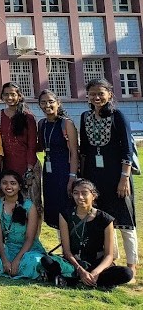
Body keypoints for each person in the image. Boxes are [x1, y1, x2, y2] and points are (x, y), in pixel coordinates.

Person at [79, 79, 138, 277]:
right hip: (95, 177)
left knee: (125, 220)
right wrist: (83, 178)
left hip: (117, 176)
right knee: (104, 220)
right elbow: (85, 149)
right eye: (92, 93)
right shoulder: (85, 116)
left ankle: (131, 264)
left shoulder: (117, 116)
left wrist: (124, 178)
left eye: (101, 93)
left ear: (110, 95)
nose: (96, 97)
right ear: (87, 96)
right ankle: (111, 259)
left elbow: (127, 150)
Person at [41, 179, 134, 288]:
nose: (80, 197)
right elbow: (66, 251)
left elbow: (109, 255)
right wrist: (80, 270)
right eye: (76, 193)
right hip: (74, 262)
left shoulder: (105, 219)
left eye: (84, 193)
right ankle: (89, 281)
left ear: (93, 195)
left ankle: (73, 281)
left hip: (97, 263)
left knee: (127, 273)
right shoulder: (65, 215)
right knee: (46, 260)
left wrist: (96, 273)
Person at [0, 170, 63, 279]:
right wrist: (4, 259)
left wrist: (16, 260)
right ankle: (22, 270)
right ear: (0, 185)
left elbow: (30, 239)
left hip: (28, 250)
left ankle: (14, 269)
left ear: (20, 186)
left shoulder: (29, 206)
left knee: (35, 261)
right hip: (8, 249)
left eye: (13, 183)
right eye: (4, 183)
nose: (8, 186)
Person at [0, 82, 41, 221]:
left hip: (27, 167)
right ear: (2, 96)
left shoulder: (28, 116)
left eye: (13, 94)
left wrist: (29, 170)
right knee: (7, 207)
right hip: (7, 168)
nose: (9, 97)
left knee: (29, 207)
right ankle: (10, 238)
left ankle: (31, 239)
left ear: (19, 96)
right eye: (6, 94)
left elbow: (32, 145)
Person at [37, 89, 79, 229]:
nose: (47, 105)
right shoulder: (41, 123)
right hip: (49, 172)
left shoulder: (66, 124)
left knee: (66, 207)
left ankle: (71, 247)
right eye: (43, 102)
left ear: (58, 103)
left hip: (65, 170)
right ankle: (62, 245)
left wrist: (72, 177)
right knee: (53, 208)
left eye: (51, 101)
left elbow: (74, 152)